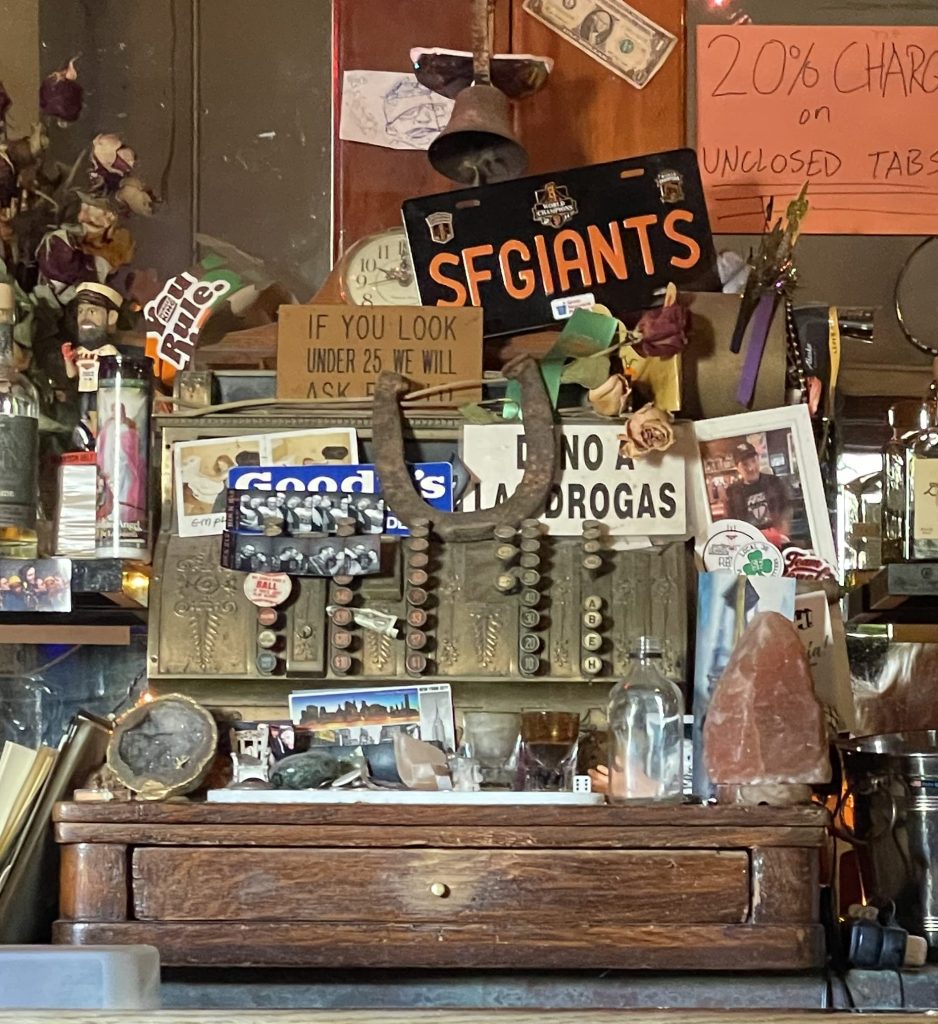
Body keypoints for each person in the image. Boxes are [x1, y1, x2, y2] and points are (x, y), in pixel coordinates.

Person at [723, 441, 792, 541]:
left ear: (758, 460)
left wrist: (784, 532)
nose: (751, 468)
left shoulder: (774, 482)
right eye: (745, 464)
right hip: (749, 543)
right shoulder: (732, 492)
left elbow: (787, 508)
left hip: (777, 539)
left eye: (753, 461)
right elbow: (729, 523)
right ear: (737, 467)